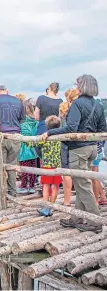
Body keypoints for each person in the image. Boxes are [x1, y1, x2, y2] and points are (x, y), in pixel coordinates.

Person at [43, 74, 107, 232]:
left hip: (79, 149)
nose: (76, 87)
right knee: (80, 184)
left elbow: (71, 127)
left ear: (82, 86)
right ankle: (76, 217)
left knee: (83, 185)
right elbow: (102, 128)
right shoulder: (98, 105)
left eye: (77, 85)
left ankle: (95, 220)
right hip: (92, 148)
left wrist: (51, 132)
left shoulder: (78, 104)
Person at [28, 116, 62, 203]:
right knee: (55, 186)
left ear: (47, 126)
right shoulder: (61, 138)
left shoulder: (44, 138)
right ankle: (52, 205)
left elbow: (31, 144)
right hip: (57, 166)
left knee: (46, 185)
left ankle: (46, 205)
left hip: (47, 166)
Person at [59, 88, 80, 206]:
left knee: (66, 172)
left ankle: (67, 200)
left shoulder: (64, 108)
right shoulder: (77, 108)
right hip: (78, 145)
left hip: (66, 144)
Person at [18, 99, 38, 194]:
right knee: (33, 167)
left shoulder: (22, 123)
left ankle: (24, 185)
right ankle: (32, 185)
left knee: (24, 168)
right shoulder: (35, 121)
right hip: (33, 147)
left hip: (24, 148)